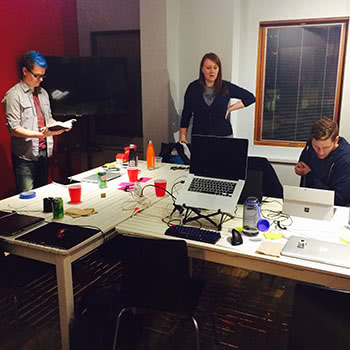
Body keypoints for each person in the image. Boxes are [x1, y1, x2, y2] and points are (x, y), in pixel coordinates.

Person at [2, 51, 68, 193]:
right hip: (25, 157)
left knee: (43, 195)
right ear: (25, 71)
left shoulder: (43, 93)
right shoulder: (13, 95)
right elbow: (14, 129)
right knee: (28, 198)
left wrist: (60, 126)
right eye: (37, 75)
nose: (41, 79)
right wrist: (40, 134)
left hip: (44, 152)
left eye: (43, 75)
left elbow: (48, 119)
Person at [179, 52, 255, 142]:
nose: (212, 71)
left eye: (215, 68)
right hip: (199, 137)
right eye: (208, 68)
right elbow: (186, 113)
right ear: (202, 69)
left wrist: (231, 108)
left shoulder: (226, 86)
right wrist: (182, 136)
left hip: (224, 136)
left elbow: (250, 98)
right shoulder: (193, 88)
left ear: (219, 69)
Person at [295, 118, 350, 206]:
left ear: (336, 140)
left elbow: (339, 199)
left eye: (326, 147)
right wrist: (300, 168)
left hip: (333, 208)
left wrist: (309, 174)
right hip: (308, 200)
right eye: (316, 147)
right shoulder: (310, 144)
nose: (320, 152)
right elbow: (303, 162)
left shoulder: (346, 159)